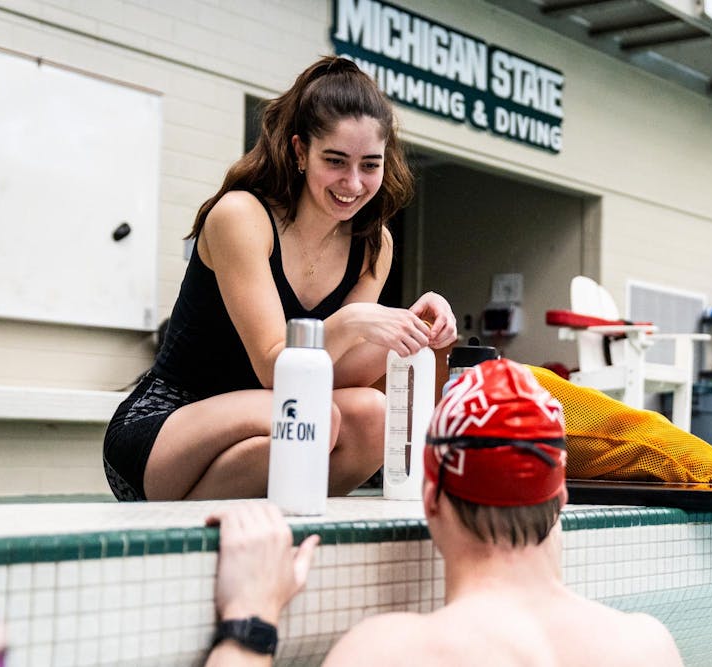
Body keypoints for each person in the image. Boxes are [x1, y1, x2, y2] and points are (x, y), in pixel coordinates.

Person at [103, 56, 457, 501]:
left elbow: (336, 371)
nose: (353, 182)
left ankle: (283, 529)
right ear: (298, 152)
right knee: (315, 415)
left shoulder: (373, 243)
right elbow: (277, 369)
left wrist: (414, 328)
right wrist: (353, 322)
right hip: (169, 428)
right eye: (336, 160)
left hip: (278, 423)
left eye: (370, 164)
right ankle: (185, 536)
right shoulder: (241, 216)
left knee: (372, 414)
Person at [205, 359, 685, 666]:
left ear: (431, 499)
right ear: (560, 498)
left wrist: (250, 621)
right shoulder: (648, 647)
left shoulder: (391, 654)